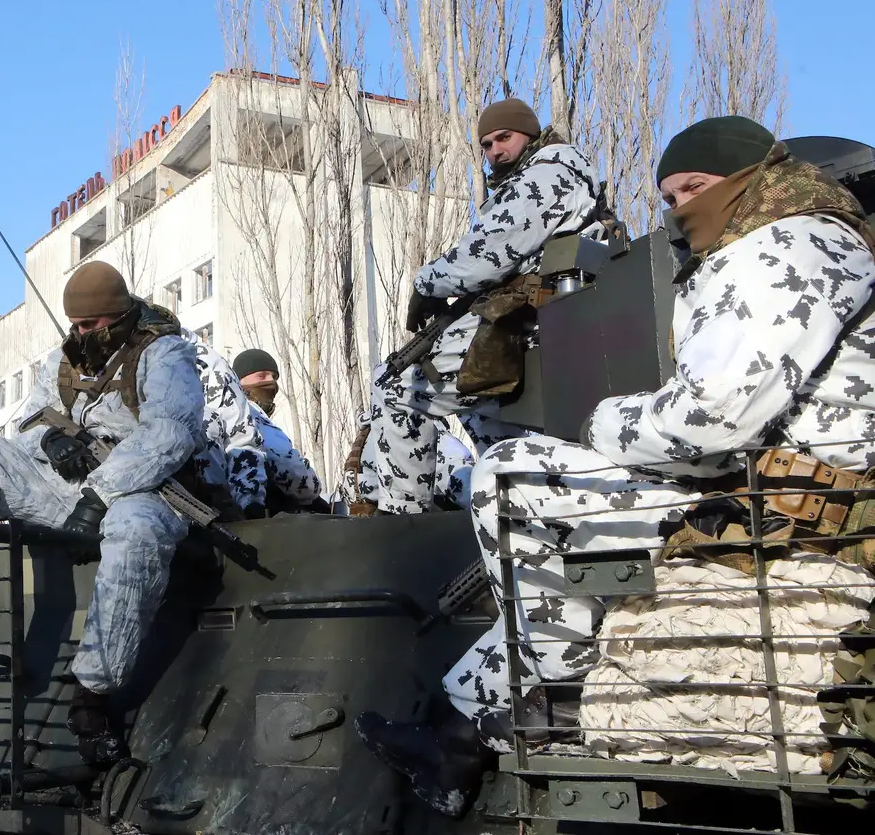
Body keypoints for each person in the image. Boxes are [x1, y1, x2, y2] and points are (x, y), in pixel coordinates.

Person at [355, 116, 875, 815]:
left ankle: (537, 705)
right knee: (543, 537)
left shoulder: (786, 242)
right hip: (769, 492)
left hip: (777, 507)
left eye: (695, 187)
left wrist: (603, 426)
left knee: (511, 476)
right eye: (666, 197)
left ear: (752, 176)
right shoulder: (796, 240)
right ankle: (463, 729)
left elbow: (716, 416)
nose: (680, 207)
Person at [0, 261, 214, 767]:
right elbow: (28, 419)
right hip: (71, 487)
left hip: (147, 490)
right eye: (75, 324)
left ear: (118, 316)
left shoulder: (165, 355)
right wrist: (50, 438)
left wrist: (100, 493)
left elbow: (170, 435)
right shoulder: (64, 359)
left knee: (134, 530)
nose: (80, 333)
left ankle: (91, 697)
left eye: (91, 325)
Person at [365, 98, 604, 515]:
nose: (496, 150)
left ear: (529, 134)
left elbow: (488, 253)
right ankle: (519, 510)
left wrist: (426, 284)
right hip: (536, 319)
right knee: (486, 416)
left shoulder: (547, 175)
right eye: (487, 144)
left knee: (398, 386)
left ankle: (405, 521)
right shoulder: (556, 175)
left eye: (504, 138)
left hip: (531, 321)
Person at [178, 331, 268, 518]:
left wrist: (250, 503)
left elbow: (242, 440)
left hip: (205, 505)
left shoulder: (207, 363)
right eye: (262, 376)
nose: (271, 383)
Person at [231, 348, 324, 512]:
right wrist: (314, 489)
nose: (271, 382)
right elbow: (291, 471)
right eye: (261, 376)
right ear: (239, 382)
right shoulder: (250, 414)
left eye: (273, 377)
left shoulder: (226, 412)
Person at [347, 409, 475, 515]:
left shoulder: (372, 431)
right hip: (414, 534)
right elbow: (469, 489)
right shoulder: (418, 429)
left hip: (372, 530)